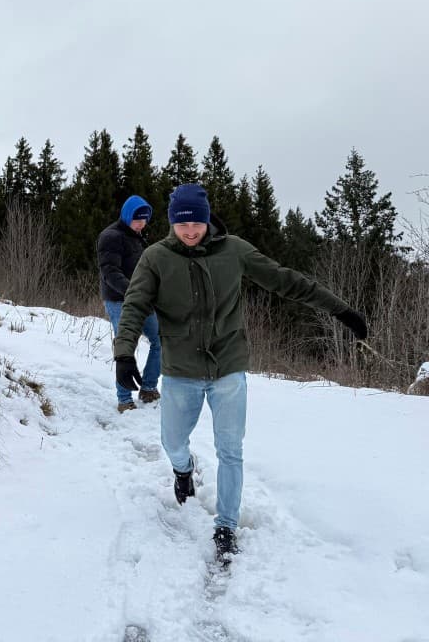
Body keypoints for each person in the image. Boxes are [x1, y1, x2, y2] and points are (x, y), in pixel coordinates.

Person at [114, 183, 368, 563]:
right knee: (173, 443)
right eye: (182, 225)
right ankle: (183, 470)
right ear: (171, 223)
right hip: (181, 369)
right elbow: (134, 305)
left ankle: (226, 526)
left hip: (228, 366)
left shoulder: (233, 251)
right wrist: (124, 352)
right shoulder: (156, 258)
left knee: (230, 450)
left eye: (196, 223)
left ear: (206, 220)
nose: (190, 231)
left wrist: (340, 310)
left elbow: (286, 280)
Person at [98, 194, 161, 413]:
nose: (142, 224)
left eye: (144, 219)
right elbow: (110, 272)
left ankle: (148, 388)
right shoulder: (111, 237)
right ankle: (124, 399)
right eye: (137, 219)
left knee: (160, 339)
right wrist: (133, 292)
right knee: (126, 348)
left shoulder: (136, 237)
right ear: (127, 215)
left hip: (143, 300)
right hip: (119, 301)